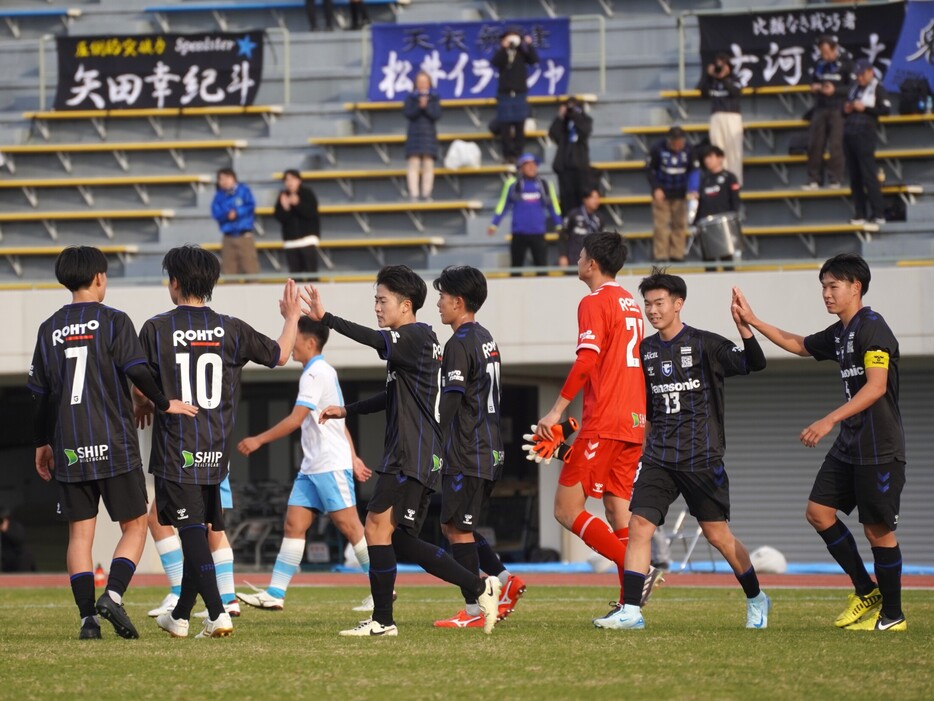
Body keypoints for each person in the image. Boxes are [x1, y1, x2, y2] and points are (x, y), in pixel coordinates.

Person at [301, 265, 502, 637]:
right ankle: (478, 587)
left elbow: (375, 340)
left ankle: (384, 621)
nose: (377, 307)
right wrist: (348, 410)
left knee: (376, 527)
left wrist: (325, 318)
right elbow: (394, 394)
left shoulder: (413, 337)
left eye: (382, 300)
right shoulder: (415, 342)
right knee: (401, 539)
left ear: (405, 305)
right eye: (375, 300)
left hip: (413, 453)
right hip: (412, 452)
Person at [26, 246, 198, 640]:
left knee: (79, 536)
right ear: (99, 278)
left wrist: (42, 443)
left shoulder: (48, 327)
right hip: (114, 441)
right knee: (136, 525)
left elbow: (41, 395)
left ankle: (88, 619)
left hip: (69, 444)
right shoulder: (115, 321)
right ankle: (114, 595)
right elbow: (136, 369)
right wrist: (163, 401)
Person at [732, 253, 907, 632]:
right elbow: (799, 344)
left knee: (878, 531)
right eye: (823, 287)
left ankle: (893, 616)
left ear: (855, 287)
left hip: (879, 447)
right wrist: (753, 320)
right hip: (851, 445)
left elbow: (876, 387)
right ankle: (866, 590)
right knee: (818, 511)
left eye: (833, 286)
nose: (826, 294)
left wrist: (829, 419)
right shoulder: (840, 332)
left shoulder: (872, 328)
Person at [140, 245, 302, 639]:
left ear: (174, 283)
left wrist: (144, 402)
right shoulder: (231, 327)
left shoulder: (157, 328)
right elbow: (281, 355)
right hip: (216, 449)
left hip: (178, 446)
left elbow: (138, 378)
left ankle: (216, 611)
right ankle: (179, 615)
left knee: (192, 531)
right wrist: (293, 316)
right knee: (198, 530)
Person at [599, 267, 770, 630]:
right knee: (640, 525)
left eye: (659, 303)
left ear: (678, 304)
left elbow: (754, 363)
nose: (652, 310)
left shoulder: (706, 344)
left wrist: (744, 327)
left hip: (701, 457)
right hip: (659, 457)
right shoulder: (645, 351)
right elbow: (646, 407)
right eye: (647, 304)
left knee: (718, 536)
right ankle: (631, 610)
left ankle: (757, 597)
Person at [530, 232, 649, 624]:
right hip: (634, 421)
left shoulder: (594, 301)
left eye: (580, 255)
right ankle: (629, 607)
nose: (576, 260)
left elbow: (586, 360)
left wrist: (555, 411)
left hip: (607, 420)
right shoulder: (630, 302)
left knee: (566, 510)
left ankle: (637, 571)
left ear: (592, 264)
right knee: (618, 511)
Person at [235, 317, 375, 612]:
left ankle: (382, 589)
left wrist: (258, 440)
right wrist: (354, 455)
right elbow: (339, 421)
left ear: (310, 342)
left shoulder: (316, 374)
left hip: (328, 465)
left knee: (350, 527)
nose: (290, 343)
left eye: (294, 336)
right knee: (294, 524)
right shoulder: (321, 371)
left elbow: (296, 419)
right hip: (313, 467)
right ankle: (275, 592)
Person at [431, 266, 526, 629]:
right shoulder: (486, 337)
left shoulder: (458, 343)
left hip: (467, 449)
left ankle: (474, 610)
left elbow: (453, 398)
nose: (438, 303)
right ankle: (504, 580)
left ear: (458, 301)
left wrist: (435, 440)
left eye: (442, 297)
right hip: (488, 447)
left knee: (457, 529)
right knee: (458, 526)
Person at [144, 479, 242, 620]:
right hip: (212, 463)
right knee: (212, 525)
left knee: (172, 522)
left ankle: (182, 596)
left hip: (190, 467)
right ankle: (226, 599)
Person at [488, 153, 562, 270]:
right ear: (521, 168)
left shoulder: (545, 184)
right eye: (527, 165)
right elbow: (503, 205)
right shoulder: (513, 184)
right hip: (519, 232)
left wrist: (558, 224)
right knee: (516, 269)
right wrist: (494, 224)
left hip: (538, 232)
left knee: (542, 269)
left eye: (534, 164)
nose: (532, 168)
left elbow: (553, 206)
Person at [844, 59, 891, 225]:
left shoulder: (878, 88)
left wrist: (866, 109)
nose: (860, 78)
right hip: (849, 133)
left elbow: (886, 110)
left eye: (862, 74)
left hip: (865, 134)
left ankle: (878, 213)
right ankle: (860, 213)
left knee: (869, 175)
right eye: (857, 74)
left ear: (870, 72)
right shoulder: (854, 88)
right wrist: (847, 110)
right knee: (854, 176)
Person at [804, 36, 852, 190]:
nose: (824, 55)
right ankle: (814, 179)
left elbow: (851, 88)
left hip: (837, 108)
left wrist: (835, 90)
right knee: (815, 144)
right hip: (820, 107)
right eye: (821, 52)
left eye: (826, 51)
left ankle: (835, 178)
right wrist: (816, 87)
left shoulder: (846, 64)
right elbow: (812, 81)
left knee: (836, 144)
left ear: (834, 49)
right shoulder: (819, 65)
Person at [491, 29, 539, 163]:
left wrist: (528, 45)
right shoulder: (502, 53)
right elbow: (494, 62)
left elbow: (534, 60)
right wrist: (504, 48)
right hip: (505, 94)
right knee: (505, 126)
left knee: (519, 126)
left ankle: (518, 154)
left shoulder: (522, 53)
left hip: (519, 93)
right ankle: (507, 155)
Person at [647, 127, 694, 263]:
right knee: (661, 225)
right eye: (675, 142)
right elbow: (650, 169)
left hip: (680, 192)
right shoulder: (658, 149)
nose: (678, 145)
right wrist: (656, 188)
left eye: (680, 141)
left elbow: (693, 170)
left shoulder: (689, 150)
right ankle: (661, 255)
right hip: (662, 192)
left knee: (679, 224)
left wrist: (692, 189)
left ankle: (677, 254)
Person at [699, 53, 744, 185]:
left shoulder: (735, 78)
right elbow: (703, 93)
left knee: (733, 151)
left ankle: (735, 182)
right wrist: (709, 75)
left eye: (722, 65)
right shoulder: (712, 81)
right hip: (716, 115)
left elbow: (736, 92)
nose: (719, 68)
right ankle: (718, 181)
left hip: (732, 115)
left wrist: (724, 78)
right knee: (716, 149)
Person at [692, 146, 742, 264]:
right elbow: (701, 202)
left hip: (723, 225)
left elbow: (735, 201)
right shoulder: (705, 179)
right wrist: (695, 223)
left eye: (711, 157)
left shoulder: (729, 177)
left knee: (726, 260)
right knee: (708, 261)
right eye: (706, 157)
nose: (707, 160)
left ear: (720, 158)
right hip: (706, 225)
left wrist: (734, 222)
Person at [549, 96, 594, 215]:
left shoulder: (585, 120)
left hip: (580, 166)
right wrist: (560, 116)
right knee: (566, 200)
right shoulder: (563, 123)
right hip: (565, 166)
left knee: (582, 198)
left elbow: (584, 132)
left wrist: (576, 115)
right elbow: (553, 134)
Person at [211, 168, 259, 276]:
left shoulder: (244, 191)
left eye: (227, 178)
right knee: (229, 271)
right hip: (228, 237)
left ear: (234, 178)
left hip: (244, 236)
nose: (224, 181)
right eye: (221, 179)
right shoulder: (219, 196)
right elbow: (216, 213)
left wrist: (237, 212)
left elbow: (250, 205)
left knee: (251, 270)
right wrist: (227, 215)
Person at [403, 72, 442, 202]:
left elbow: (436, 114)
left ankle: (426, 194)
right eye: (420, 82)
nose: (422, 85)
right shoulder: (410, 97)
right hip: (414, 134)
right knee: (413, 164)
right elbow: (408, 113)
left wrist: (426, 107)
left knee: (428, 165)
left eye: (425, 82)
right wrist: (419, 106)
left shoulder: (434, 97)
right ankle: (413, 194)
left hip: (429, 134)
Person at [274, 169, 321, 274]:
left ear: (299, 180)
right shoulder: (282, 196)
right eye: (286, 180)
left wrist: (298, 204)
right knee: (295, 278)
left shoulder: (307, 193)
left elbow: (311, 213)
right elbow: (279, 217)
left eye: (292, 179)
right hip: (290, 242)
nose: (289, 182)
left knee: (311, 274)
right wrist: (285, 208)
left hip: (307, 240)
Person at [558, 187, 603, 267]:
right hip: (573, 258)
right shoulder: (573, 215)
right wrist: (563, 255)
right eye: (593, 198)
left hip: (592, 261)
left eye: (598, 198)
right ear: (585, 199)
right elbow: (563, 235)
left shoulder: (599, 218)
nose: (596, 201)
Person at [0, 507, 36, 573]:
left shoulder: (16, 527)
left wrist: (6, 531)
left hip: (20, 561)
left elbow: (19, 540)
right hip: (7, 562)